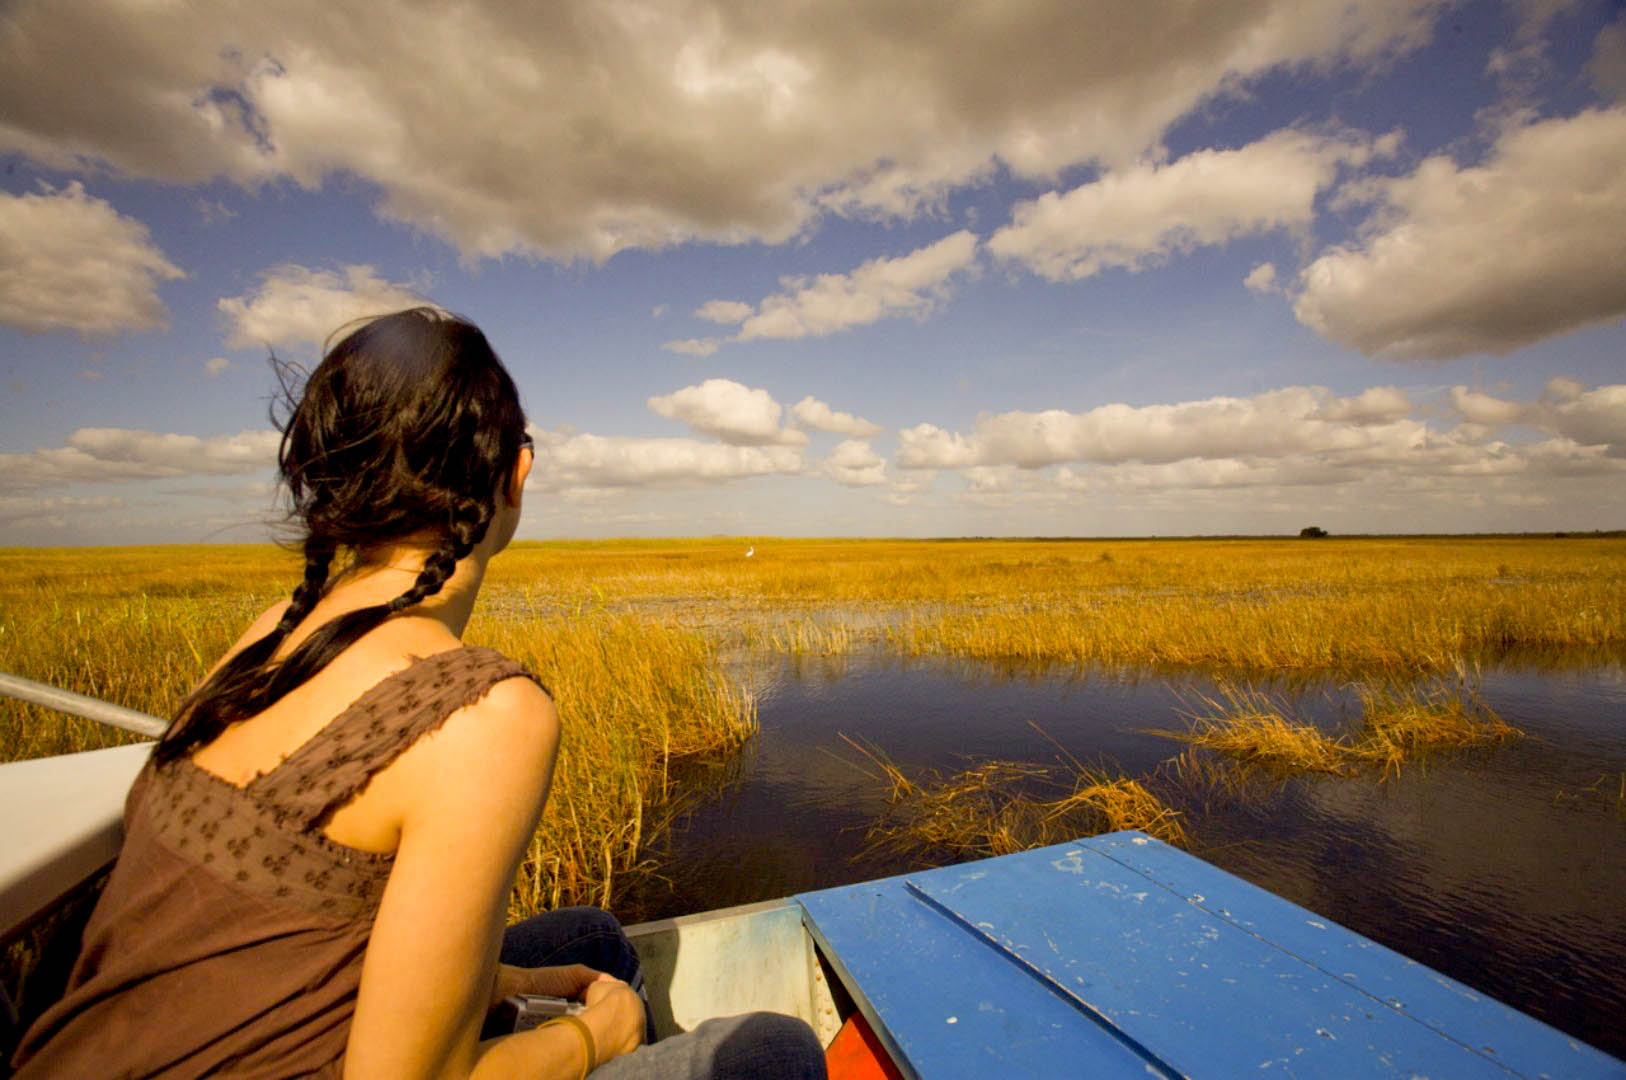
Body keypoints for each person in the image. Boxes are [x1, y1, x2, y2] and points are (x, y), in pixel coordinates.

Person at [10, 308, 825, 1079]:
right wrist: (596, 1035)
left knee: (593, 938)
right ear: (517, 474)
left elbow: (278, 935)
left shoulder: (266, 637)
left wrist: (508, 985)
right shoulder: (484, 715)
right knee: (772, 1053)